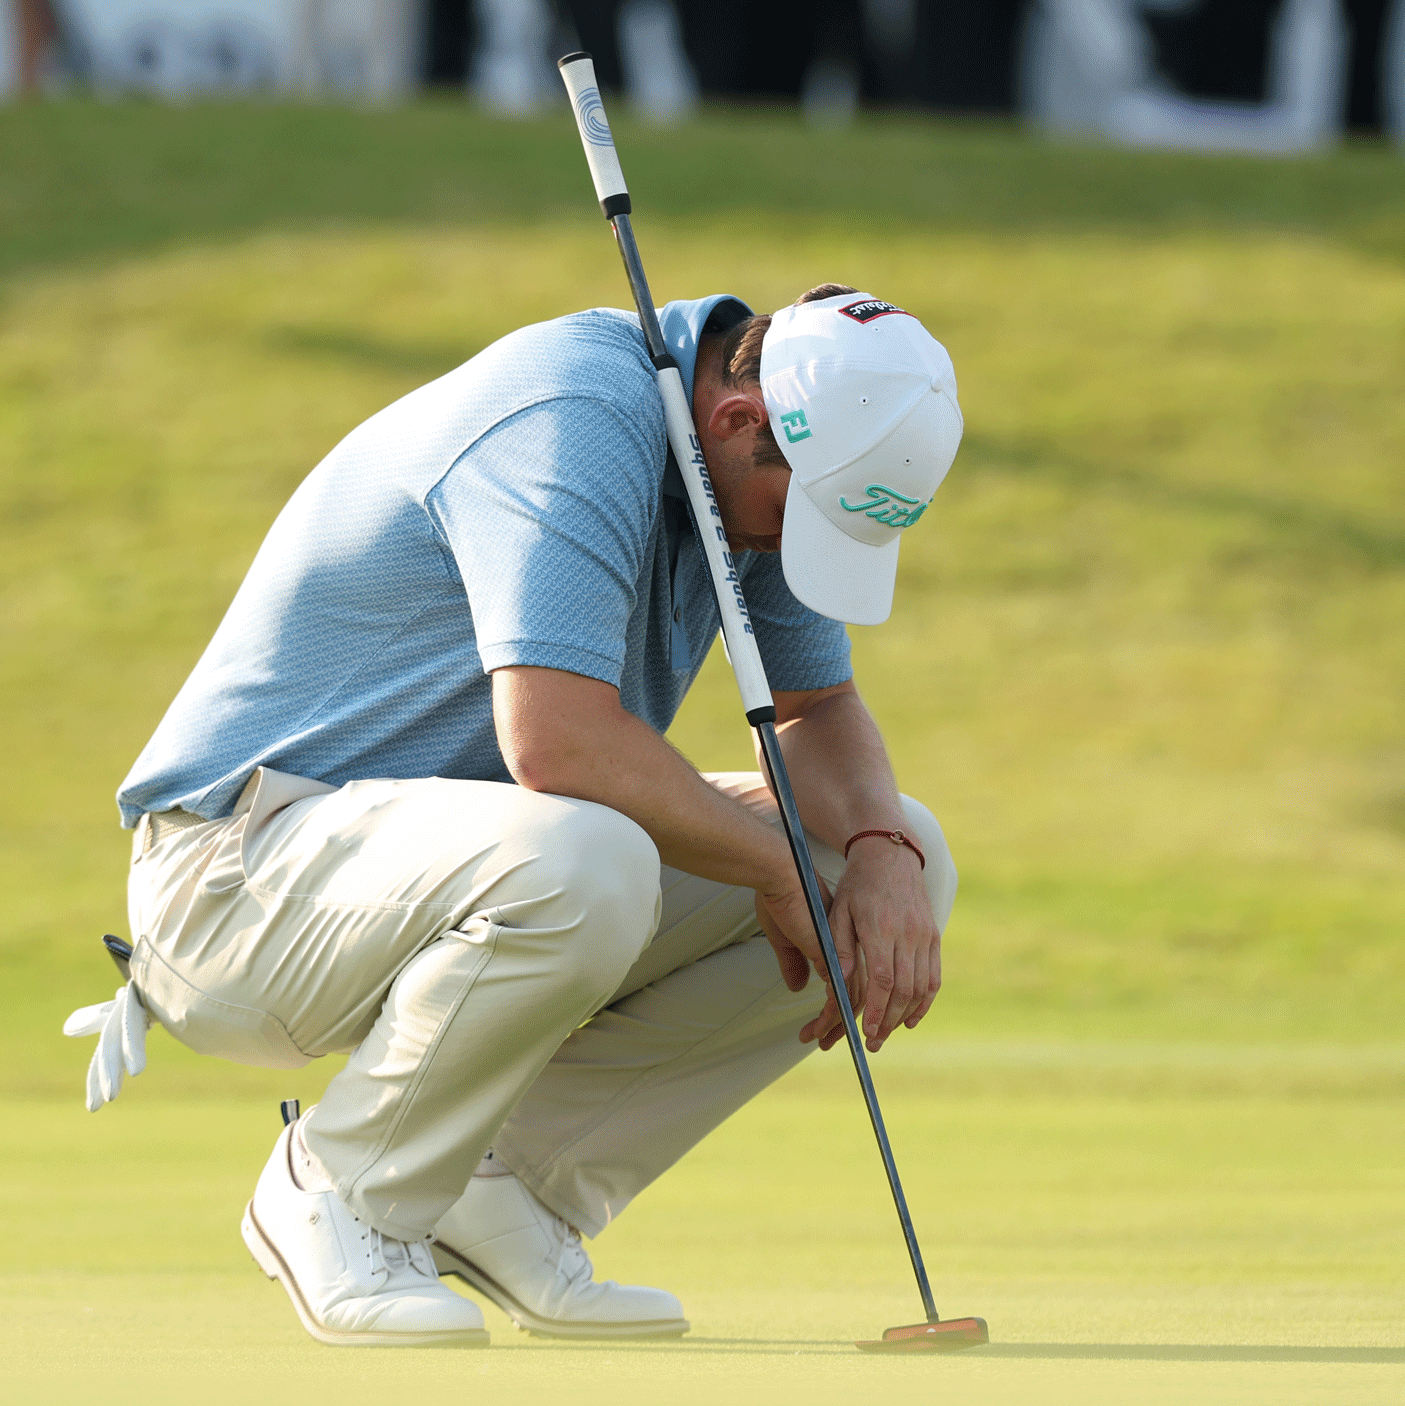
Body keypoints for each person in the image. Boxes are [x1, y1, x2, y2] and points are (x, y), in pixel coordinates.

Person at [79, 283, 964, 1347]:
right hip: (236, 875)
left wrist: (877, 850)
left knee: (891, 850)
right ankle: (342, 1188)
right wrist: (774, 872)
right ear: (738, 424)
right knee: (596, 850)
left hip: (455, 862)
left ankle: (505, 1192)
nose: (788, 549)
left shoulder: (748, 475)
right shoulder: (569, 416)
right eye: (798, 514)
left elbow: (816, 708)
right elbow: (559, 742)